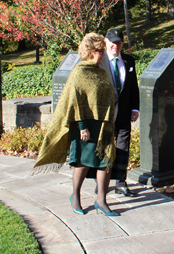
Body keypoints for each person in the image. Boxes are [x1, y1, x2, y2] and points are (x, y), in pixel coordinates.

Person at [33, 33, 119, 216]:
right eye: (100, 50)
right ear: (89, 52)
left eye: (103, 50)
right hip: (86, 125)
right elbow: (74, 101)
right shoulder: (79, 72)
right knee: (84, 162)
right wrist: (82, 127)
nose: (103, 54)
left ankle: (101, 201)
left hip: (104, 124)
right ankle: (75, 196)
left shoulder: (101, 71)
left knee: (105, 162)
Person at [100, 28, 140, 197]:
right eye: (112, 43)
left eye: (118, 43)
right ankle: (101, 183)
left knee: (123, 149)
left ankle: (121, 183)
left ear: (122, 44)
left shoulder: (129, 61)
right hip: (105, 115)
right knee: (104, 150)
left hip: (124, 114)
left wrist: (135, 108)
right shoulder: (99, 61)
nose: (115, 46)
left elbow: (133, 88)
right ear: (105, 43)